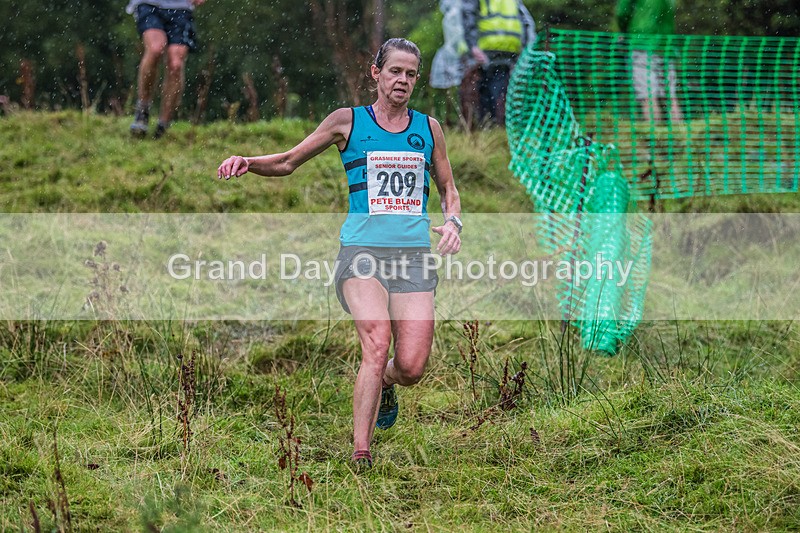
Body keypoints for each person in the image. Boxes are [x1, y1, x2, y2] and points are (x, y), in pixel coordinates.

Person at [217, 38, 463, 470]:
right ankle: (361, 450)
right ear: (376, 73)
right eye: (394, 72)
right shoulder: (347, 122)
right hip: (361, 255)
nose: (402, 80)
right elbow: (289, 161)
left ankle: (387, 383)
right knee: (376, 341)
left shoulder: (429, 129)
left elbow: (448, 188)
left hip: (412, 258)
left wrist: (454, 222)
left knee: (411, 366)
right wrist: (248, 161)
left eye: (410, 73)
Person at [126, 0, 205, 139]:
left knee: (176, 64)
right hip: (148, 3)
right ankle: (142, 110)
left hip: (181, 7)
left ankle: (163, 124)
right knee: (156, 49)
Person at [462, 0, 536, 127]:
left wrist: (472, 45)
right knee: (498, 89)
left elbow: (468, 17)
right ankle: (494, 125)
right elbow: (526, 21)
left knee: (492, 90)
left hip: (495, 51)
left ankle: (491, 125)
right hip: (504, 50)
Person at [616, 0, 683, 123]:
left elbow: (622, 13)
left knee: (647, 96)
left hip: (642, 44)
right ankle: (681, 136)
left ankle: (655, 137)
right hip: (666, 47)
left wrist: (624, 32)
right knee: (670, 97)